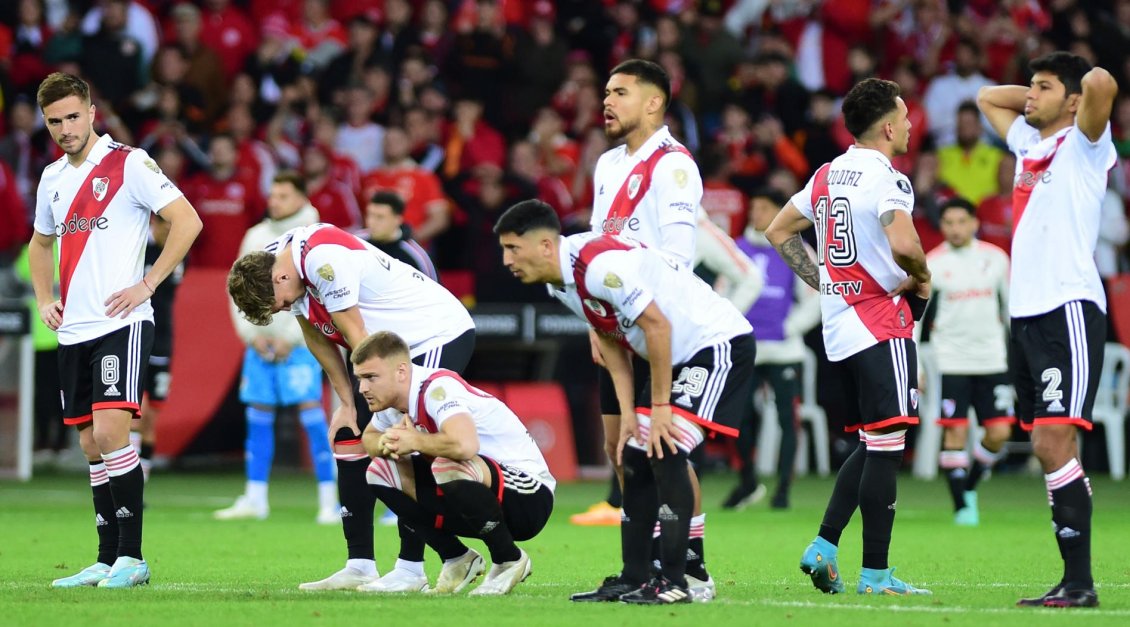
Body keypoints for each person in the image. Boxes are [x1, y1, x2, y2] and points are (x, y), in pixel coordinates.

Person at [496, 200, 755, 604]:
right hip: (673, 352)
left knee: (665, 449)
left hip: (715, 344)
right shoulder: (559, 283)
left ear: (546, 245)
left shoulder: (598, 267)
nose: (506, 260)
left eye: (513, 248)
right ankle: (635, 575)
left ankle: (680, 579)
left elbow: (657, 325)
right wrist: (630, 415)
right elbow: (613, 342)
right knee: (633, 456)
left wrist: (661, 406)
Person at [227, 222, 477, 593]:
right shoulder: (279, 263)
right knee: (349, 435)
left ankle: (411, 569)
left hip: (433, 334)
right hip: (384, 350)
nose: (282, 308)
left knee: (402, 440)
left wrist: (381, 407)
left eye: (278, 303)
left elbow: (359, 340)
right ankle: (360, 564)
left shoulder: (324, 261)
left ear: (280, 279)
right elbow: (315, 334)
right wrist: (346, 403)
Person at [30, 72, 201, 588]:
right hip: (73, 328)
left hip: (119, 322)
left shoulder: (128, 163)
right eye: (55, 121)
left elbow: (187, 221)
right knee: (89, 446)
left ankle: (133, 557)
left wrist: (148, 284)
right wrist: (45, 299)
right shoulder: (52, 178)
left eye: (72, 117)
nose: (65, 128)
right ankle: (107, 559)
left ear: (91, 112)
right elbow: (40, 244)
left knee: (111, 433)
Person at [765, 77, 932, 596]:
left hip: (841, 324)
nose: (908, 125)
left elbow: (778, 230)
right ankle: (877, 575)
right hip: (880, 319)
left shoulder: (827, 174)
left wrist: (828, 283)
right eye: (904, 117)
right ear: (887, 126)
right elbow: (903, 245)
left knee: (873, 441)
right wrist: (924, 276)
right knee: (889, 443)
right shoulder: (887, 177)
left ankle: (825, 545)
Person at [570, 57, 716, 602]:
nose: (607, 101)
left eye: (621, 92)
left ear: (654, 102)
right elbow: (596, 245)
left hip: (659, 326)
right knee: (618, 447)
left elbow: (676, 258)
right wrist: (597, 314)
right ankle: (646, 563)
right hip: (617, 328)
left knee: (662, 449)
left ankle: (692, 565)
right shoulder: (608, 164)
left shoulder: (675, 166)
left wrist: (629, 305)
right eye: (606, 92)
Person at [977, 51, 1118, 608]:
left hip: (1068, 310)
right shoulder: (1028, 147)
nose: (1027, 96)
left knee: (1052, 439)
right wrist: (1040, 95)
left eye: (1042, 88)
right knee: (1047, 444)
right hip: (1027, 315)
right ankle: (1073, 581)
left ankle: (1080, 583)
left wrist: (1076, 94)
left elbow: (1103, 81)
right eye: (1029, 86)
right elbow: (988, 98)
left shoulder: (1085, 147)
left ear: (1073, 100)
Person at [356, 331, 555, 596]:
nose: (363, 388)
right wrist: (386, 444)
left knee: (447, 465)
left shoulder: (438, 388)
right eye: (360, 378)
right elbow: (369, 437)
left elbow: (465, 445)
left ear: (401, 371)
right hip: (480, 496)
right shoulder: (392, 404)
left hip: (529, 498)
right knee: (379, 472)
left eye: (371, 378)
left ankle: (508, 558)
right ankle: (457, 558)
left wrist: (414, 441)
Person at [214, 172, 337, 524]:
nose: (274, 201)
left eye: (283, 195)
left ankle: (329, 501)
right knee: (258, 419)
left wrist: (294, 337)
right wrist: (253, 334)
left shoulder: (315, 234)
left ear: (301, 197)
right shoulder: (256, 234)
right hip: (260, 343)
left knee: (314, 420)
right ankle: (255, 498)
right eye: (273, 194)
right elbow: (236, 286)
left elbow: (319, 291)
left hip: (301, 344)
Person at [725, 189, 821, 511]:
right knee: (736, 418)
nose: (756, 212)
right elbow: (720, 295)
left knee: (786, 420)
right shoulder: (734, 249)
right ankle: (748, 482)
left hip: (784, 351)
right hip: (746, 349)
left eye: (764, 207)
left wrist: (788, 327)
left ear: (780, 211)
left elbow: (816, 295)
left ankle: (782, 492)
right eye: (753, 206)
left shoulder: (794, 247)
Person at [920, 197, 1013, 527]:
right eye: (949, 223)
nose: (955, 229)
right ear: (942, 227)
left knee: (999, 433)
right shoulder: (933, 263)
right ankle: (961, 505)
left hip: (992, 359)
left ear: (974, 223)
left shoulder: (996, 258)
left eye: (962, 221)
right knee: (955, 433)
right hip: (951, 360)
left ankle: (969, 485)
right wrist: (918, 365)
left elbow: (1010, 310)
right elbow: (919, 320)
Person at [128, 214, 185, 485]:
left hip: (162, 341)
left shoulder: (177, 254)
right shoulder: (137, 249)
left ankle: (141, 481)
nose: (172, 232)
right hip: (136, 337)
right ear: (156, 224)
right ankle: (126, 480)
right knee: (133, 413)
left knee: (150, 416)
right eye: (169, 226)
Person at [363, 191, 438, 281]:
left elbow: (435, 291)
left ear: (397, 219)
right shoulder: (357, 241)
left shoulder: (416, 256)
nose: (371, 222)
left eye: (380, 217)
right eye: (370, 215)